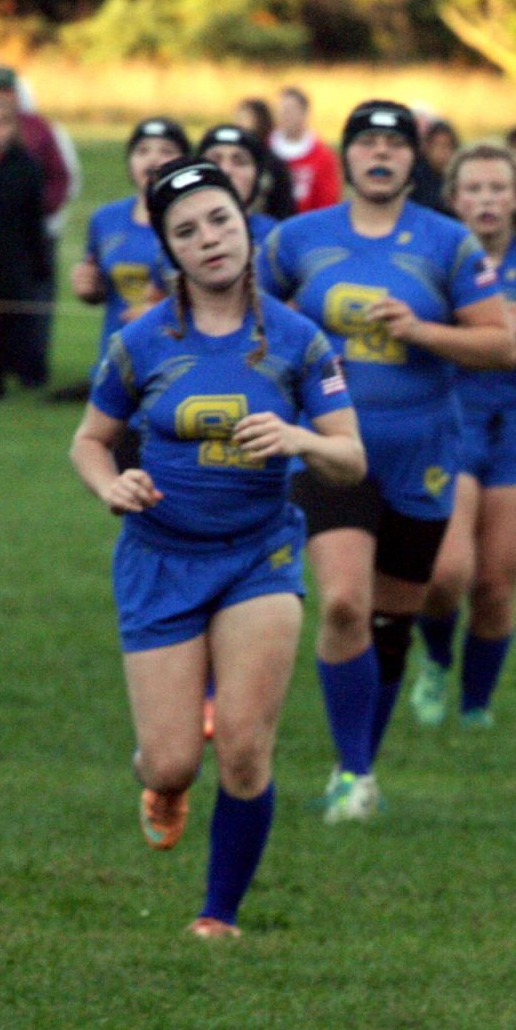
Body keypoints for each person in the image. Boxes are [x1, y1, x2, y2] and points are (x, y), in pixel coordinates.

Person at [68, 157, 366, 936]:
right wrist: (109, 486)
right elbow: (90, 443)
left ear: (246, 227)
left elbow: (350, 458)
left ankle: (218, 914)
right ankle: (159, 784)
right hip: (159, 558)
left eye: (220, 222)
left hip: (259, 555)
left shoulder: (298, 339)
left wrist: (298, 434)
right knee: (173, 761)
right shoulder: (141, 342)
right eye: (188, 231)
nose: (209, 240)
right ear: (171, 250)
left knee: (242, 747)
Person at [261, 100, 516, 822]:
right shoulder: (294, 240)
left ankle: (359, 763)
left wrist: (422, 331)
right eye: (366, 143)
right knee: (343, 600)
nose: (380, 155)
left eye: (394, 145)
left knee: (391, 618)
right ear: (345, 156)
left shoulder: (450, 244)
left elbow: (500, 347)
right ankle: (355, 771)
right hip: (332, 449)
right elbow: (254, 323)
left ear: (416, 159)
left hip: (424, 453)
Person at [409, 143, 516, 730]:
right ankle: (434, 659)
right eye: (474, 190)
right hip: (448, 426)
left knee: (495, 585)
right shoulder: (435, 263)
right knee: (446, 574)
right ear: (454, 199)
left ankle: (476, 705)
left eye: (497, 189)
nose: (486, 201)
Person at [0, 67, 74, 391]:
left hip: (18, 249)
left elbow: (58, 180)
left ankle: (28, 372)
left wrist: (47, 218)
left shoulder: (38, 137)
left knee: (24, 316)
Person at [73, 118, 190, 365]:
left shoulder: (197, 223)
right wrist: (89, 288)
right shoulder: (105, 219)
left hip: (175, 359)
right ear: (129, 161)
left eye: (166, 151)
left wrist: (163, 313)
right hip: (117, 357)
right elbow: (99, 286)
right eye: (142, 150)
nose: (153, 159)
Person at [0, 98, 48, 398]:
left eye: (2, 121)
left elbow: (34, 220)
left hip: (11, 259)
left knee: (6, 322)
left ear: (13, 127)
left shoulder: (26, 166)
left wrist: (38, 262)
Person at [197, 123, 283, 244]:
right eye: (214, 161)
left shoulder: (277, 237)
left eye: (240, 162)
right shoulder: (170, 237)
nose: (226, 170)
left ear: (258, 177)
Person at [271, 87, 342, 214]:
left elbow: (327, 203)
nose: (285, 116)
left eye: (290, 111)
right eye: (282, 110)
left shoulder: (323, 156)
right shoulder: (266, 149)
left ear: (305, 113)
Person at [234, 97, 299, 220]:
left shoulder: (275, 165)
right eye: (238, 118)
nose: (238, 123)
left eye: (244, 118)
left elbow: (285, 208)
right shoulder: (227, 162)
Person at [412, 118, 459, 215]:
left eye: (448, 146)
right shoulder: (414, 181)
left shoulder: (459, 178)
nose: (443, 153)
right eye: (437, 146)